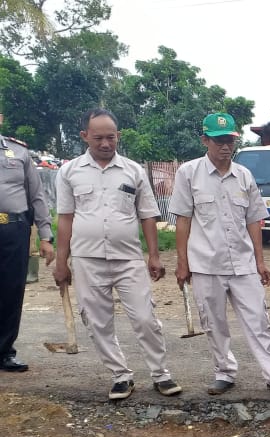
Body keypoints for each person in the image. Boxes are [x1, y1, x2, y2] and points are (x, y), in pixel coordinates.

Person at [169, 112, 270, 396]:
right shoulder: (189, 173)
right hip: (206, 263)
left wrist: (260, 261)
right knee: (213, 322)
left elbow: (254, 219)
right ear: (205, 140)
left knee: (258, 319)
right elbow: (182, 220)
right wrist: (182, 264)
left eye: (230, 140)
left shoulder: (244, 175)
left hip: (242, 263)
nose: (225, 146)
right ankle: (224, 372)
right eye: (218, 141)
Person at [51, 108, 181, 401]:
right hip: (87, 258)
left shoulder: (133, 171)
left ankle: (161, 374)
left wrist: (154, 256)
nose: (106, 143)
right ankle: (120, 376)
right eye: (98, 138)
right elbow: (65, 218)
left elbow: (148, 215)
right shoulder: (69, 172)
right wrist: (62, 263)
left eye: (111, 137)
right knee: (97, 322)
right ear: (85, 136)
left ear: (118, 136)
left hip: (128, 258)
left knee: (146, 318)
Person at [0, 116, 54, 371]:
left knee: (11, 291)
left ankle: (4, 352)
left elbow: (36, 195)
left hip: (13, 228)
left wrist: (45, 235)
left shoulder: (18, 151)